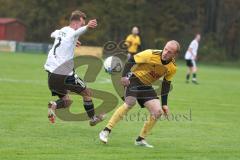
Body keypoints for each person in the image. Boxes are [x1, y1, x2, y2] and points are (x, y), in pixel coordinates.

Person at [99, 40, 180, 148]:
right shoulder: (150, 54)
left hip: (146, 86)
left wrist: (165, 104)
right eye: (165, 49)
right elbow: (132, 60)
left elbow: (166, 84)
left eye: (170, 52)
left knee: (157, 112)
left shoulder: (172, 67)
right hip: (134, 79)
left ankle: (140, 139)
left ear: (175, 54)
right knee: (130, 103)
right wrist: (123, 76)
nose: (165, 52)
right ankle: (106, 131)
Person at [44, 10, 104, 125]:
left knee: (67, 101)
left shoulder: (61, 31)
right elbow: (77, 33)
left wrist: (71, 42)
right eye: (82, 23)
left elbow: (53, 34)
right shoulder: (72, 32)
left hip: (51, 74)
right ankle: (93, 119)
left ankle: (54, 105)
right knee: (87, 93)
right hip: (64, 73)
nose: (81, 26)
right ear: (78, 21)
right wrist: (87, 27)